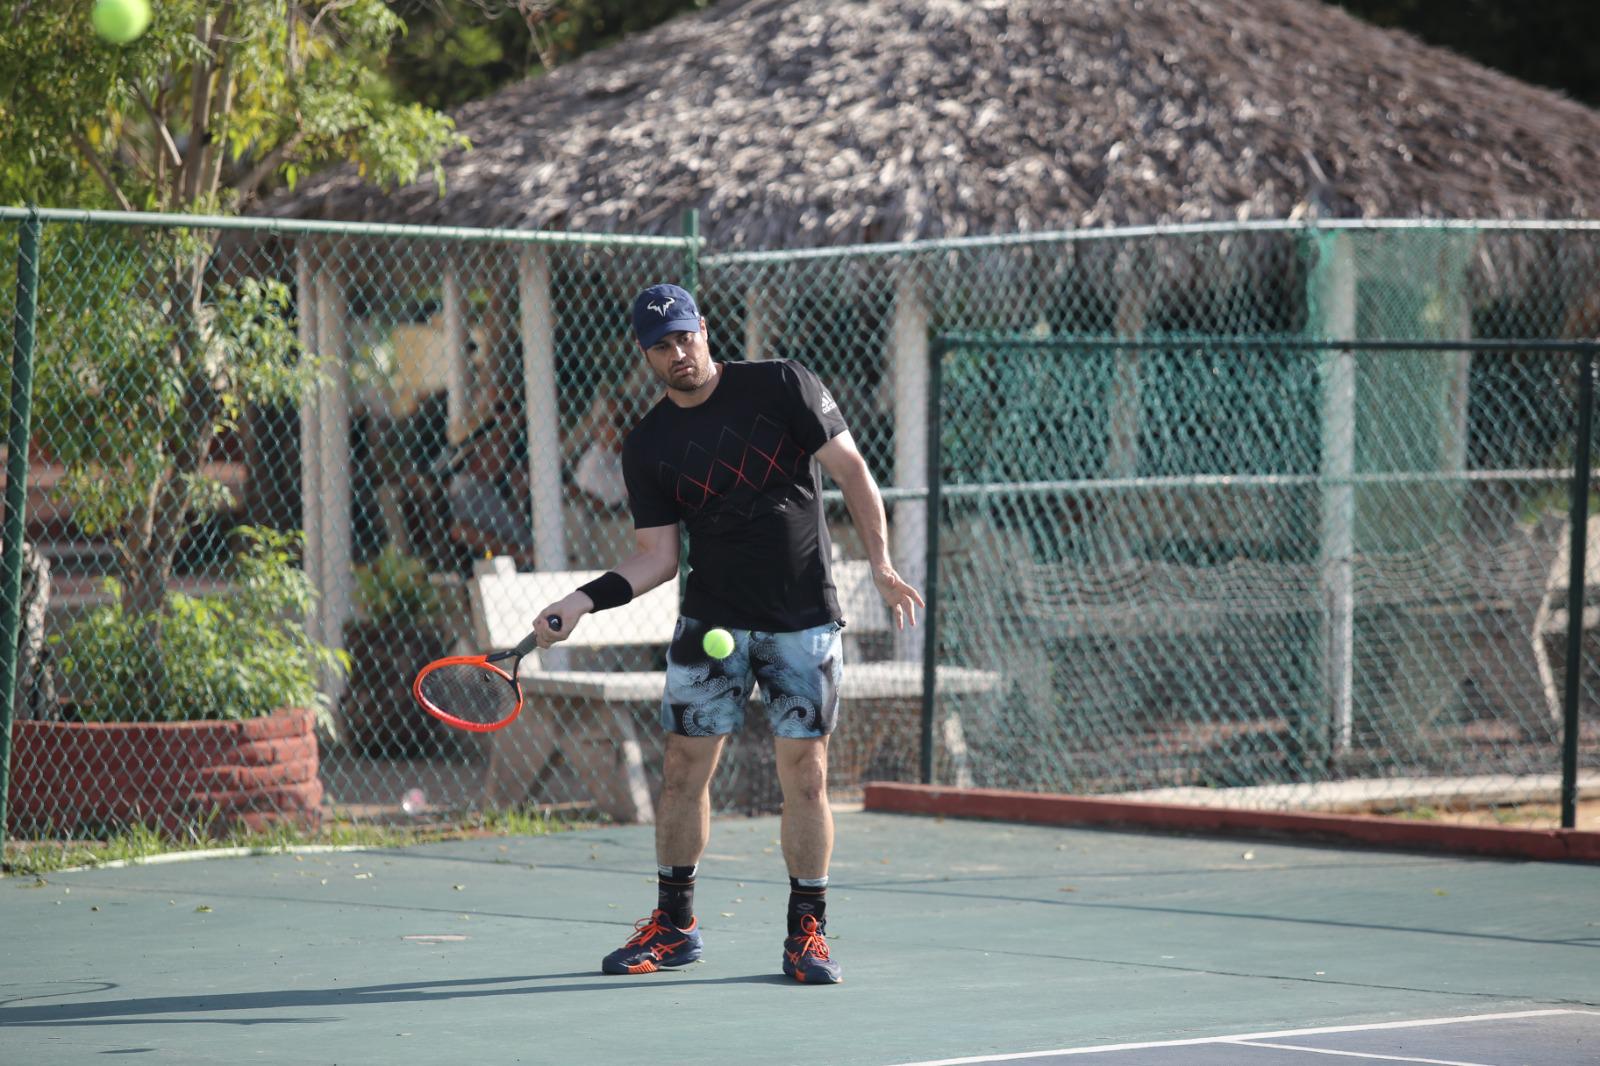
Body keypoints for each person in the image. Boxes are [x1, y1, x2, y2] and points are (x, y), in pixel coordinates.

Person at [533, 283, 923, 985]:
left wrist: (883, 566)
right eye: (661, 345)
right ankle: (675, 929)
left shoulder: (782, 385)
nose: (678, 352)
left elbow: (853, 471)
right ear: (645, 353)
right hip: (709, 622)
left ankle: (808, 935)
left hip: (801, 620)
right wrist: (581, 601)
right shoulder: (649, 443)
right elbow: (655, 556)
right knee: (682, 772)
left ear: (705, 330)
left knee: (806, 776)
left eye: (686, 336)